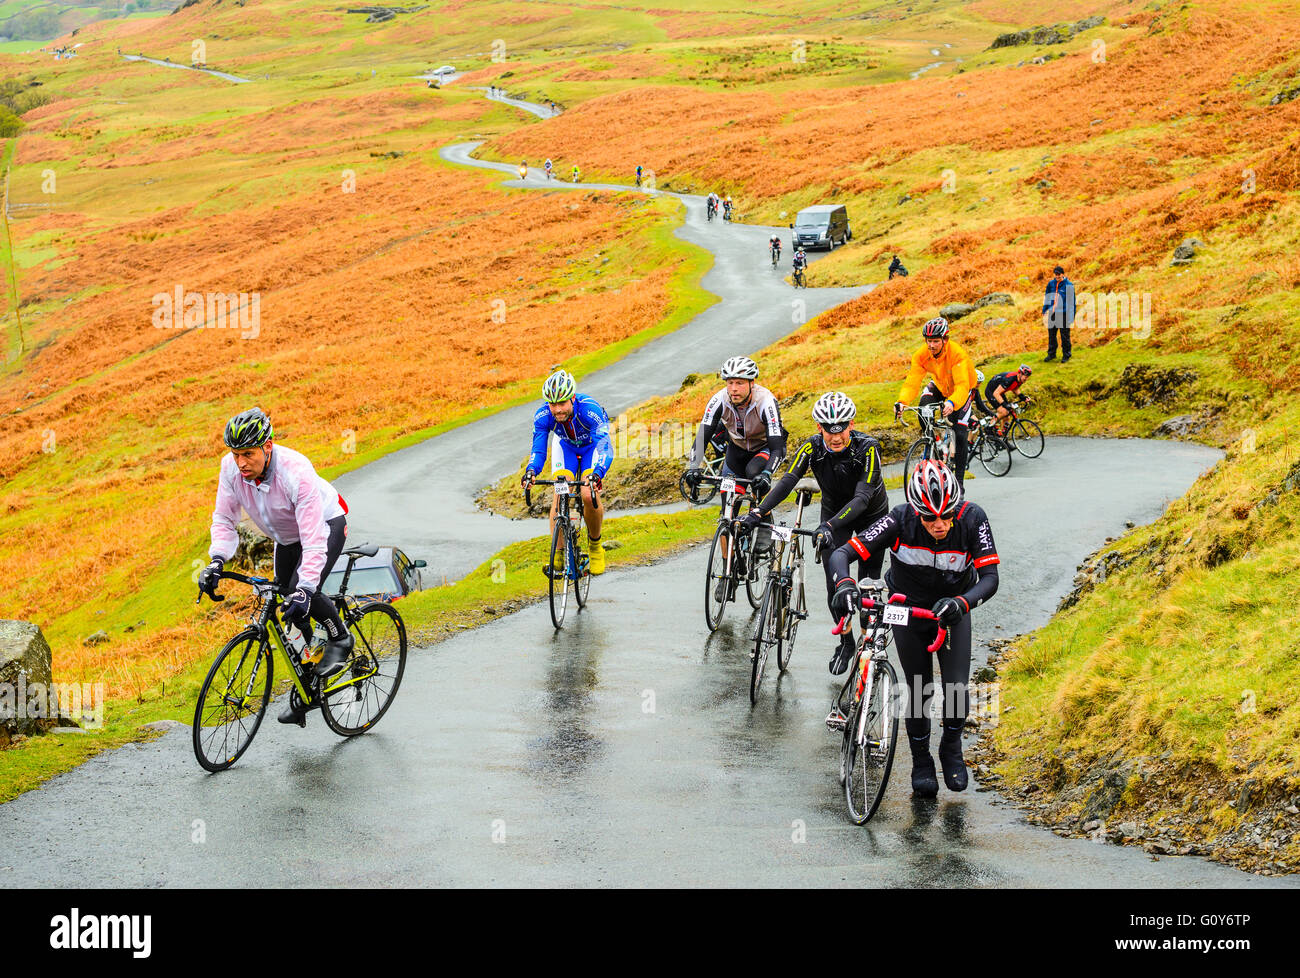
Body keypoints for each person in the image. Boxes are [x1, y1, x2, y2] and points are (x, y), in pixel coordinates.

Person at [827, 460, 999, 798]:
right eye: (930, 517)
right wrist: (845, 584)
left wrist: (962, 603)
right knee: (919, 688)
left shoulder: (973, 518)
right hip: (907, 608)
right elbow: (842, 554)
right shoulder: (899, 519)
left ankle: (950, 747)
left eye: (947, 515)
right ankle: (921, 761)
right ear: (915, 512)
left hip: (951, 609)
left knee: (957, 689)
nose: (940, 524)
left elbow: (991, 579)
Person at [198, 408, 354, 726]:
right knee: (287, 610)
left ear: (267, 446)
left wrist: (306, 589)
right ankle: (311, 677)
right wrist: (216, 560)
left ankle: (340, 638)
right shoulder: (230, 470)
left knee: (302, 594)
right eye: (235, 454)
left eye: (248, 454)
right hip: (284, 537)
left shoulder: (296, 472)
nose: (241, 462)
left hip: (324, 524)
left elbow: (313, 541)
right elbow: (224, 519)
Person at [740, 391, 888, 677]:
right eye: (828, 430)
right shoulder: (811, 448)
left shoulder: (868, 447)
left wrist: (829, 526)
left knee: (867, 586)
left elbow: (862, 499)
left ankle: (866, 647)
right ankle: (845, 642)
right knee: (836, 585)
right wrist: (758, 512)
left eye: (841, 429)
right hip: (834, 517)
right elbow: (788, 481)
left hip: (869, 515)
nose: (835, 437)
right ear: (819, 427)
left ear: (851, 424)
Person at [683, 356, 787, 602]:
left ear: (751, 383)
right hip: (736, 451)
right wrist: (692, 467)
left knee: (754, 474)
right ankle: (727, 573)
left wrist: (767, 473)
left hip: (764, 450)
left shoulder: (766, 401)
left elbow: (777, 447)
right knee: (726, 512)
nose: (733, 389)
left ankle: (763, 515)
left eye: (739, 383)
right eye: (730, 383)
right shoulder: (719, 400)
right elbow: (703, 436)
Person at [522, 370, 612, 575]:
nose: (558, 410)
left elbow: (604, 447)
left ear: (572, 398)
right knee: (560, 491)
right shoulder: (543, 416)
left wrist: (597, 472)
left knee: (589, 495)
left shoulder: (590, 410)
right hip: (566, 448)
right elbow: (538, 450)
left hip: (592, 449)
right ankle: (560, 553)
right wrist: (531, 471)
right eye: (553, 405)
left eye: (562, 403)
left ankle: (596, 547)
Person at [893, 316, 978, 486]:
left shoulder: (957, 354)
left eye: (935, 341)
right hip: (940, 385)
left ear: (945, 339)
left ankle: (959, 484)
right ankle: (935, 443)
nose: (931, 345)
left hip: (962, 390)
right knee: (923, 409)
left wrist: (952, 403)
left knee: (960, 433)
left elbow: (962, 386)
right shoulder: (921, 355)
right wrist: (902, 402)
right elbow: (912, 382)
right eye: (928, 341)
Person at [1042, 265, 1076, 362]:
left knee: (1065, 336)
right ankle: (1051, 354)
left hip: (1064, 314)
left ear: (1063, 274)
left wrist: (1071, 316)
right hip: (1052, 313)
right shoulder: (1051, 284)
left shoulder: (1069, 285)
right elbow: (1047, 297)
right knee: (1051, 335)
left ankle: (1066, 355)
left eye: (1058, 274)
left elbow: (1071, 302)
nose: (1057, 276)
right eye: (1055, 274)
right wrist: (1045, 309)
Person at [985, 364, 1032, 429]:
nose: (1026, 379)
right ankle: (988, 428)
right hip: (991, 391)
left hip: (999, 391)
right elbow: (996, 394)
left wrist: (1022, 397)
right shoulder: (1009, 379)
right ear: (1020, 373)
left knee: (1007, 416)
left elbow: (1015, 388)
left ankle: (1002, 435)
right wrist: (1005, 405)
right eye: (1025, 376)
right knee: (1004, 411)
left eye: (1028, 377)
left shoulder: (1020, 380)